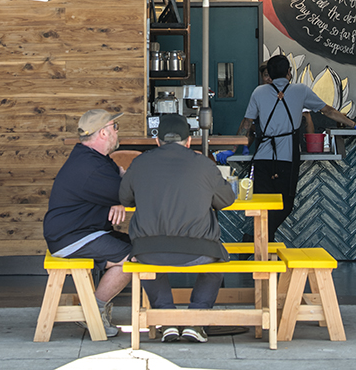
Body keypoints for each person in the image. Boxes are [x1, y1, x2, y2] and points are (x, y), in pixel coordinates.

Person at [119, 114, 236, 343]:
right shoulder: (203, 164)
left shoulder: (139, 163)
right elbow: (226, 199)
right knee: (218, 260)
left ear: (157, 141)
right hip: (199, 251)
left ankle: (167, 319)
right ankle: (196, 320)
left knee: (145, 262)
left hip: (148, 251)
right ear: (189, 141)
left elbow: (125, 198)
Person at [237, 54, 356, 236]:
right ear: (289, 72)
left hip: (262, 158)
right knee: (285, 205)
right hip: (286, 159)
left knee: (262, 207)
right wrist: (355, 125)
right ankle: (255, 239)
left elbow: (246, 123)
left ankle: (257, 242)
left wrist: (233, 148)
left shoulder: (258, 92)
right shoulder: (300, 90)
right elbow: (328, 111)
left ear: (270, 75)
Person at [42, 109, 130, 337]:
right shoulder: (91, 167)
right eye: (114, 127)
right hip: (72, 238)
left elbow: (122, 182)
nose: (117, 132)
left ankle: (95, 308)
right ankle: (93, 312)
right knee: (135, 258)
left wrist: (118, 199)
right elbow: (130, 192)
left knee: (139, 246)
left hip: (81, 232)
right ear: (103, 133)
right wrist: (121, 197)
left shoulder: (93, 158)